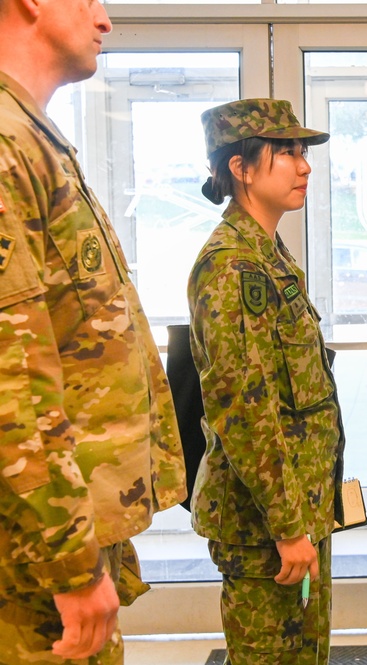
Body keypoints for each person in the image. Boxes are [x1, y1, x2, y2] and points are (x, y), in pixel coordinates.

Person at [0, 0, 188, 661]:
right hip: (32, 564)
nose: (105, 20)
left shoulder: (30, 137)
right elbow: (10, 380)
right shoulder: (4, 143)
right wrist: (69, 561)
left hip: (48, 544)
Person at [189, 98, 345, 665]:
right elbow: (243, 408)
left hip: (295, 511)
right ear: (241, 167)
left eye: (304, 154)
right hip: (266, 525)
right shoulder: (233, 266)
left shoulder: (270, 257)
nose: (304, 166)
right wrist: (286, 525)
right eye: (287, 153)